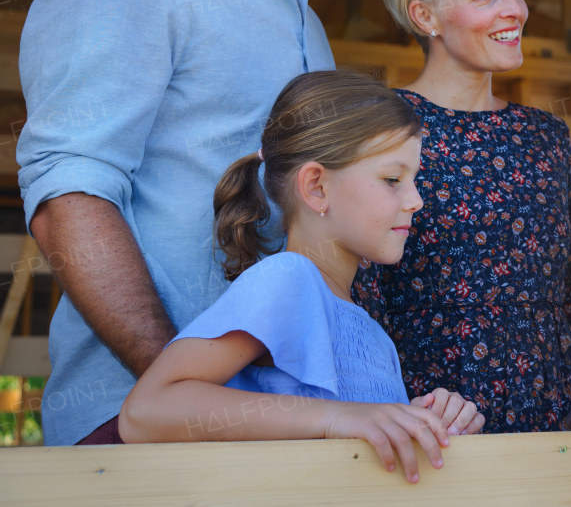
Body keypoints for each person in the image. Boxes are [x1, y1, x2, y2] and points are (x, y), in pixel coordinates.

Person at [17, 0, 376, 445]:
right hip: (140, 430)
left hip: (278, 427)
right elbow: (69, 203)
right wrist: (181, 396)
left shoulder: (305, 19)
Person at [120, 71, 483, 482]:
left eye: (414, 180)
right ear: (316, 188)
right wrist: (337, 418)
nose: (415, 200)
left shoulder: (371, 331)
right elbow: (145, 412)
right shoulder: (288, 279)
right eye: (392, 180)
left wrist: (425, 423)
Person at [351, 0, 571, 433]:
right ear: (425, 16)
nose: (515, 8)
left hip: (558, 421)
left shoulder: (546, 138)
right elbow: (363, 298)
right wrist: (385, 412)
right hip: (437, 426)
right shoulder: (379, 131)